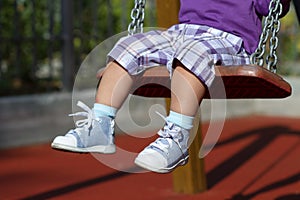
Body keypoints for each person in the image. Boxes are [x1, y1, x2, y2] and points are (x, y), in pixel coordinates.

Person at [51, 0, 291, 173]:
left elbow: (270, 7)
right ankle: (100, 128)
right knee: (129, 45)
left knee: (191, 55)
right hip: (179, 34)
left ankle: (177, 137)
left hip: (228, 41)